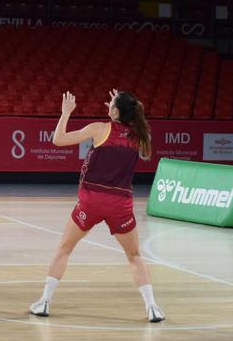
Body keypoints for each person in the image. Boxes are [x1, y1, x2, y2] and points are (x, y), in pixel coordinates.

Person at [28, 89, 165, 323]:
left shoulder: (99, 129)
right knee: (134, 256)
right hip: (120, 204)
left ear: (114, 111)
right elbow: (132, 119)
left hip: (91, 201)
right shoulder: (139, 136)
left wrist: (65, 113)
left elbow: (58, 139)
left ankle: (44, 302)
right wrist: (118, 108)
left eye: (111, 103)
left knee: (64, 249)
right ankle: (152, 307)